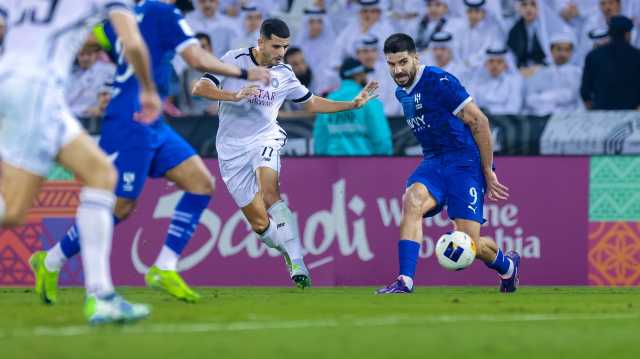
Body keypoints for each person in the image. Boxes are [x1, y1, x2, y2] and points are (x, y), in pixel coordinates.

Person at [29, 0, 270, 305]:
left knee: (200, 183)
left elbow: (87, 39)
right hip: (130, 120)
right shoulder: (162, 12)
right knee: (120, 206)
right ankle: (51, 261)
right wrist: (245, 73)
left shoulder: (121, 17)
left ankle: (164, 267)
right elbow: (195, 58)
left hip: (152, 119)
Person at [0, 0, 160, 324]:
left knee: (99, 174)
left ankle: (101, 296)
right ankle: (101, 296)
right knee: (16, 206)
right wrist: (148, 89)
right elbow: (132, 42)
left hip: (15, 83)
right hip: (38, 90)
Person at [192, 18, 379, 288]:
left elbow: (312, 102)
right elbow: (201, 88)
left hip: (264, 137)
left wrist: (351, 104)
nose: (281, 52)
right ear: (261, 42)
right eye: (276, 46)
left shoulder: (285, 74)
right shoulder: (234, 60)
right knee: (259, 224)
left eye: (285, 46)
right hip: (230, 148)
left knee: (270, 191)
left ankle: (298, 262)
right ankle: (287, 252)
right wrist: (234, 96)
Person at [376, 33, 518, 295]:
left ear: (416, 57)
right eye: (392, 64)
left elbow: (479, 122)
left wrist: (488, 171)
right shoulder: (401, 92)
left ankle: (507, 266)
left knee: (469, 243)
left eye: (403, 62)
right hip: (433, 162)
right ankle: (404, 281)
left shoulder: (439, 82)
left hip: (464, 164)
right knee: (412, 200)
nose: (398, 70)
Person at [314, 57, 392, 156]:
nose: (366, 77)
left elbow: (320, 141)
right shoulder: (369, 101)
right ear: (358, 75)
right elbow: (382, 139)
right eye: (364, 73)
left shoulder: (326, 101)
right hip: (364, 164)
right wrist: (384, 161)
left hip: (333, 166)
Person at [581, 15, 640, 110]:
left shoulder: (593, 55)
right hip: (631, 113)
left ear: (610, 32)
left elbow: (585, 91)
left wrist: (593, 110)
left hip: (601, 113)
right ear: (628, 34)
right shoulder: (637, 56)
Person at [524, 32, 582, 116]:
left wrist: (544, 96)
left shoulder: (577, 73)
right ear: (551, 50)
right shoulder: (540, 72)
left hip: (570, 117)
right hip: (542, 115)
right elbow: (530, 98)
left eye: (567, 50)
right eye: (559, 49)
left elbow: (572, 97)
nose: (562, 54)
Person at [354, 35, 403, 116]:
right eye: (365, 51)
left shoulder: (390, 70)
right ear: (357, 54)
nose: (370, 56)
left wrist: (378, 117)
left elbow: (394, 101)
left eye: (373, 51)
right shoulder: (351, 73)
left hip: (389, 119)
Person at [449, 0, 504, 72]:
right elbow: (455, 49)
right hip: (461, 68)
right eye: (470, 12)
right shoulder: (460, 30)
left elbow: (486, 51)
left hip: (483, 69)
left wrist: (470, 62)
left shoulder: (491, 31)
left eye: (477, 12)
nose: (473, 15)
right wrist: (461, 64)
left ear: (483, 13)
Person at [467, 47, 524, 115]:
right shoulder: (475, 81)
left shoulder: (514, 81)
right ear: (485, 64)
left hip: (506, 121)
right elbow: (470, 105)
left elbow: (513, 108)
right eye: (491, 61)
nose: (495, 65)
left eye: (499, 62)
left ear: (506, 65)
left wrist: (489, 112)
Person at [66, 45, 116, 118]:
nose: (85, 58)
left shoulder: (109, 70)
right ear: (76, 55)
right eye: (82, 54)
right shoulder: (69, 74)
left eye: (89, 54)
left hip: (100, 119)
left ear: (96, 54)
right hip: (72, 118)